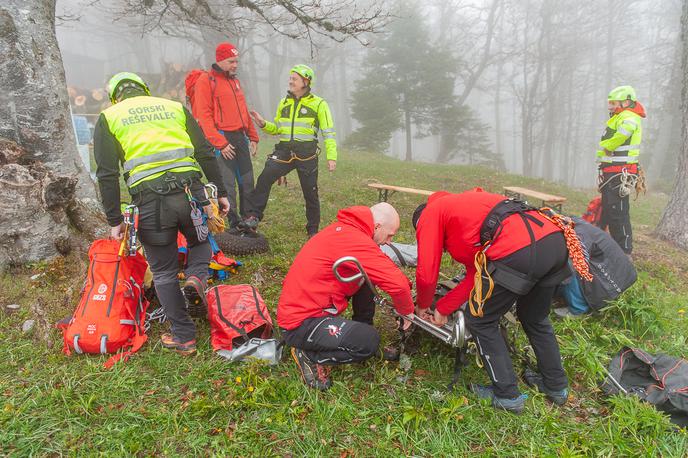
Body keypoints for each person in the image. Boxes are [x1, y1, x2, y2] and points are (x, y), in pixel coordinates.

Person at [94, 72, 229, 356]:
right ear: (145, 89)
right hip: (192, 194)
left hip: (150, 201)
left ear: (116, 96)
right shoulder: (173, 107)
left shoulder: (110, 117)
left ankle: (184, 337)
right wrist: (223, 193)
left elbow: (107, 174)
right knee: (201, 242)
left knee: (164, 271)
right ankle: (195, 278)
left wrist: (114, 220)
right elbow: (205, 152)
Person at [413, 189, 578, 413]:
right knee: (534, 317)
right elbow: (476, 275)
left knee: (481, 319)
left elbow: (426, 274)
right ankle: (556, 386)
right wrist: (443, 308)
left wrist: (423, 305)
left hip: (521, 247)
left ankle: (507, 395)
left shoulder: (431, 214)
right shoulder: (464, 210)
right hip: (553, 241)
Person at [278, 202, 414, 390]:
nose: (389, 241)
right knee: (369, 341)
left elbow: (385, 272)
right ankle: (309, 355)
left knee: (366, 276)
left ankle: (361, 326)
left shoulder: (349, 231)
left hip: (309, 311)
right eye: (390, 235)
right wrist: (407, 312)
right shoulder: (354, 239)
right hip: (300, 324)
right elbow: (398, 285)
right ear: (377, 226)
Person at [242, 64, 337, 238]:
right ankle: (253, 217)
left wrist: (332, 157)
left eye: (294, 78)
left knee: (310, 192)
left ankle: (313, 230)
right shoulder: (284, 102)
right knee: (265, 177)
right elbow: (278, 129)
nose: (290, 81)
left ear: (305, 81)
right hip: (284, 151)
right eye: (290, 78)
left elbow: (328, 133)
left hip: (307, 153)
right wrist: (263, 124)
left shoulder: (319, 104)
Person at [192, 42, 260, 232]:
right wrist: (220, 143)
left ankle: (249, 220)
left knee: (247, 181)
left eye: (237, 61)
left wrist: (253, 136)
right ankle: (233, 224)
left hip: (240, 138)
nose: (235, 65)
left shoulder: (235, 81)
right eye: (231, 61)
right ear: (219, 60)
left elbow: (244, 110)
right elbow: (204, 117)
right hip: (222, 139)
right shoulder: (206, 81)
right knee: (228, 185)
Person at [553, 216, 637, 318]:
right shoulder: (576, 224)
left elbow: (569, 267)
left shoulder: (578, 235)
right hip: (620, 276)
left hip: (610, 283)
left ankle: (578, 309)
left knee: (568, 267)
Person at [596, 85, 646, 254]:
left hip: (621, 173)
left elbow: (625, 131)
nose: (610, 106)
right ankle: (607, 246)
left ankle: (624, 251)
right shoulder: (619, 116)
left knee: (618, 213)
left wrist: (609, 145)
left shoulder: (629, 116)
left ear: (626, 102)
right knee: (609, 211)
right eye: (609, 103)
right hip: (612, 172)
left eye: (613, 103)